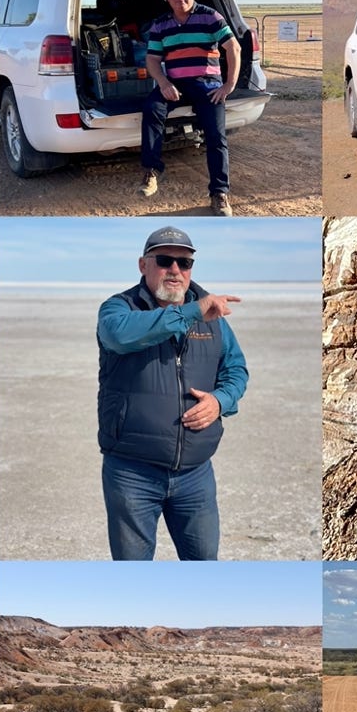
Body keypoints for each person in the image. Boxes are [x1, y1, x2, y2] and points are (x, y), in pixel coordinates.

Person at [97, 226, 248, 560]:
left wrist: (219, 401)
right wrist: (192, 312)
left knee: (203, 567)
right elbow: (121, 336)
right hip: (132, 474)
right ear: (143, 265)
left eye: (185, 262)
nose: (176, 270)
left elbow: (236, 370)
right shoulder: (118, 310)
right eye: (165, 260)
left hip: (196, 475)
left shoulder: (213, 317)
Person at [138, 0, 241, 216]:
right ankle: (152, 171)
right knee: (152, 109)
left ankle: (220, 193)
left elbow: (233, 47)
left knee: (216, 137)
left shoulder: (210, 16)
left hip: (208, 85)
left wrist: (229, 85)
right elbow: (152, 59)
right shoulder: (160, 24)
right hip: (175, 83)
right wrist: (163, 82)